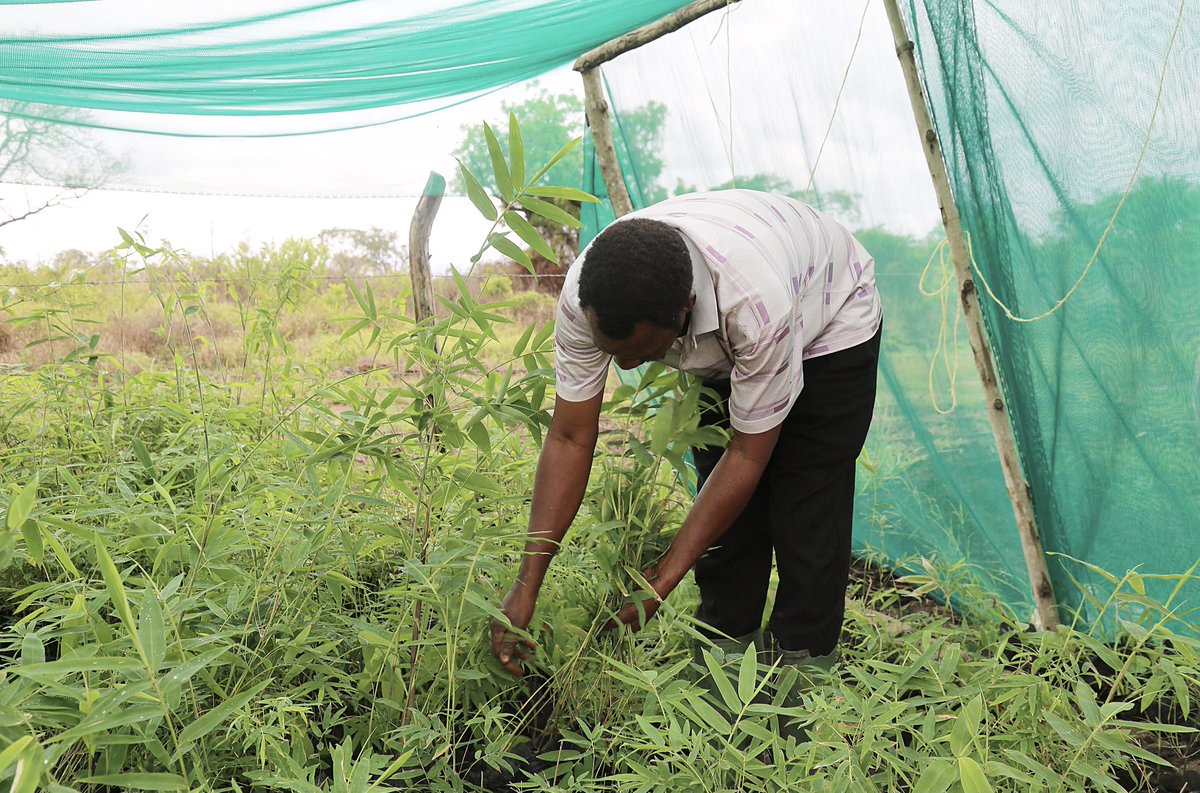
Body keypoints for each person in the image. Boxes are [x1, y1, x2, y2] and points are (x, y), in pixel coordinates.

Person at [489, 189, 882, 678]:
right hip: (735, 325)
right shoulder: (585, 300)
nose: (625, 366)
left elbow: (748, 454)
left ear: (685, 309)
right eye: (613, 352)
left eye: (641, 353)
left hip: (829, 313)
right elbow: (570, 437)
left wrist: (666, 575)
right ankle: (723, 663)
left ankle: (801, 677)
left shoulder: (755, 306)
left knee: (807, 509)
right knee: (725, 524)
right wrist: (526, 584)